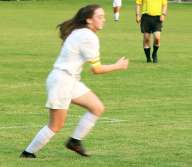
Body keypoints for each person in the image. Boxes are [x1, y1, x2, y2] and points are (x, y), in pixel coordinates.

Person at [20, 4, 129, 158]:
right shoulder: (89, 37)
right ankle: (28, 153)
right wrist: (117, 66)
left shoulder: (80, 32)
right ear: (89, 20)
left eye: (104, 16)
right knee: (55, 126)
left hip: (68, 80)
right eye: (100, 17)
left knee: (97, 107)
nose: (104, 20)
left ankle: (74, 141)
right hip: (62, 81)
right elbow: (96, 69)